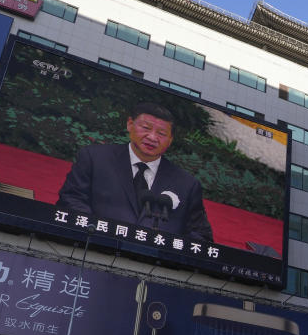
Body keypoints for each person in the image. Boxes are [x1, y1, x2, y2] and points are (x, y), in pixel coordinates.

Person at [56, 102, 213, 241]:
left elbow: (200, 236)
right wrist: (97, 234)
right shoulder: (95, 158)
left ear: (171, 139)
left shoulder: (187, 185)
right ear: (130, 124)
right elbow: (71, 200)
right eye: (146, 128)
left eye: (162, 133)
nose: (152, 137)